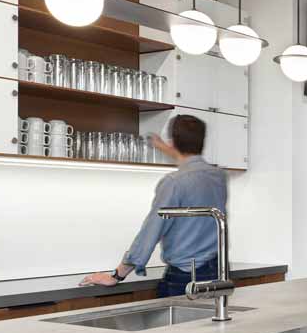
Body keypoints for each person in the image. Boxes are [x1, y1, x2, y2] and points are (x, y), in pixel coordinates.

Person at [80, 114, 228, 297]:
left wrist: (117, 275)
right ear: (203, 141)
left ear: (173, 143)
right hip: (218, 270)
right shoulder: (218, 176)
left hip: (187, 276)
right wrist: (165, 148)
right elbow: (191, 165)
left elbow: (152, 230)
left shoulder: (173, 182)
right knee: (213, 317)